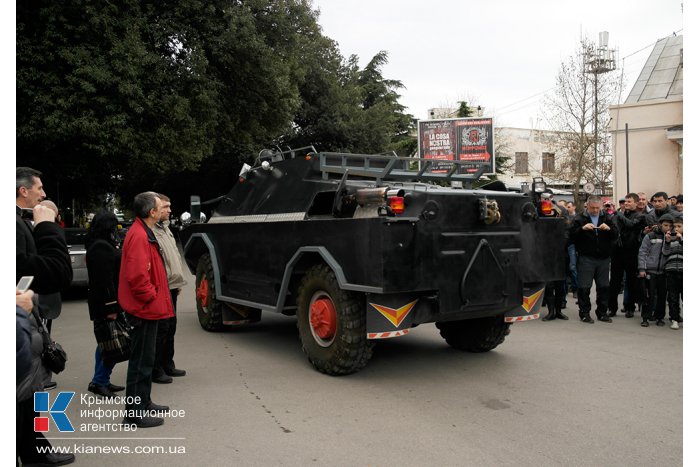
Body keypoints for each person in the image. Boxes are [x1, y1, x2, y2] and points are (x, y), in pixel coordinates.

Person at [119, 192, 174, 428]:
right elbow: (138, 277)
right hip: (144, 309)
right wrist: (151, 297)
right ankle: (134, 413)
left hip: (147, 307)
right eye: (162, 206)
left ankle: (143, 402)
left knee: (145, 360)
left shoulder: (143, 230)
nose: (165, 209)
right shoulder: (140, 235)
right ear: (152, 212)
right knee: (141, 362)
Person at [16, 167, 72, 392]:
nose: (43, 194)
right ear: (23, 191)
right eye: (39, 188)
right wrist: (47, 226)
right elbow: (57, 273)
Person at [16, 286, 75, 466]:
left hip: (28, 346)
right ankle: (34, 451)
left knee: (31, 401)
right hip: (20, 343)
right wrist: (18, 310)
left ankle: (35, 451)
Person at [86, 211, 126, 398]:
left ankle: (100, 380)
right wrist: (111, 307)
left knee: (105, 342)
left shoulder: (99, 244)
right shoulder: (100, 247)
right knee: (110, 343)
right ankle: (100, 381)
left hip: (103, 302)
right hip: (105, 303)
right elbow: (104, 281)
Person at [152, 194, 187, 384]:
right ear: (154, 209)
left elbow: (173, 256)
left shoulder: (165, 229)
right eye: (165, 207)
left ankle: (167, 364)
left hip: (172, 286)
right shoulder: (152, 231)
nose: (169, 210)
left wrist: (178, 282)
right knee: (161, 330)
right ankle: (155, 369)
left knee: (170, 328)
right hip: (161, 288)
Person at [569, 195, 618, 323]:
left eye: (597, 208)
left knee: (603, 287)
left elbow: (616, 235)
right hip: (586, 258)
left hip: (603, 258)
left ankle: (602, 313)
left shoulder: (607, 217)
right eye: (593, 208)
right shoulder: (580, 218)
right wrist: (582, 229)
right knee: (584, 287)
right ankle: (584, 313)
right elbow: (571, 237)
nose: (595, 210)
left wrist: (610, 229)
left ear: (601, 206)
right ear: (587, 206)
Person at [608, 193, 646, 318]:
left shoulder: (640, 216)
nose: (626, 204)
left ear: (636, 203)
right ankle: (612, 308)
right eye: (625, 201)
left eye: (629, 201)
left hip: (631, 252)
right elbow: (612, 227)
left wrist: (618, 214)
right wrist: (612, 213)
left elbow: (631, 224)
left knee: (631, 282)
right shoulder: (619, 215)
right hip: (617, 252)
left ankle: (630, 307)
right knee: (614, 282)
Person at [638, 213, 674, 327]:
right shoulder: (651, 236)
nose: (667, 228)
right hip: (650, 271)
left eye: (670, 226)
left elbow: (667, 253)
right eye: (665, 225)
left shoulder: (672, 237)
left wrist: (667, 242)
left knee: (662, 296)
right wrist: (642, 268)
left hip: (663, 272)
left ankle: (659, 317)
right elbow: (642, 252)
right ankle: (645, 317)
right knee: (648, 295)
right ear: (660, 224)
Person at [662, 216, 683, 330]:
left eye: (679, 226)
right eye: (675, 227)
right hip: (671, 271)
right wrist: (667, 241)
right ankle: (674, 319)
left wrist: (682, 239)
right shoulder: (671, 238)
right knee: (673, 297)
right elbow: (665, 253)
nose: (676, 229)